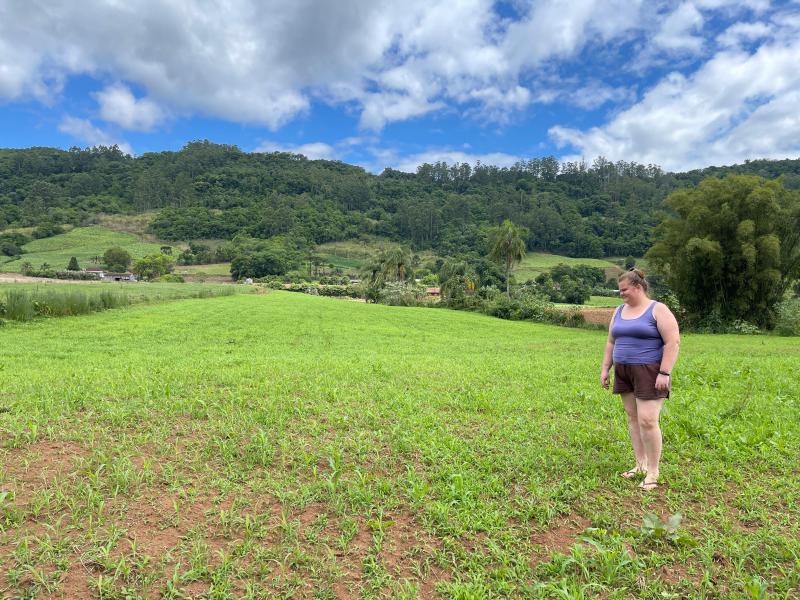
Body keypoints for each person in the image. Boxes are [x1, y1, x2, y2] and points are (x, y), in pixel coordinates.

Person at [600, 268, 680, 490]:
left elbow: (672, 342)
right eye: (620, 290)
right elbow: (610, 342)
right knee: (633, 418)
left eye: (624, 289)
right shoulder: (618, 310)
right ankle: (640, 465)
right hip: (624, 370)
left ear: (638, 287)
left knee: (647, 420)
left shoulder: (658, 310)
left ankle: (653, 471)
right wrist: (605, 368)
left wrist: (665, 372)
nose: (621, 294)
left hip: (649, 371)